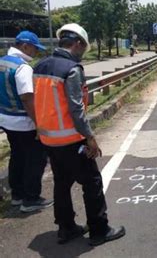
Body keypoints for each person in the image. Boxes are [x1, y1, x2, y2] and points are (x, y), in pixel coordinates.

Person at [33, 23, 125, 246]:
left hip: (48, 138)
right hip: (71, 138)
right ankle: (99, 230)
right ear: (77, 44)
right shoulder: (72, 69)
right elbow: (76, 108)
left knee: (62, 183)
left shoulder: (40, 66)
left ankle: (66, 228)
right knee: (92, 182)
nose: (84, 51)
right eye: (84, 47)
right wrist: (90, 138)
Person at [0, 31, 53, 213]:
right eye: (34, 48)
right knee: (35, 159)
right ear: (25, 46)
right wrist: (39, 124)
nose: (35, 53)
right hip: (24, 122)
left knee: (17, 156)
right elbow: (27, 98)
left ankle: (17, 195)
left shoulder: (2, 61)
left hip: (6, 119)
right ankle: (30, 199)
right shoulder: (22, 68)